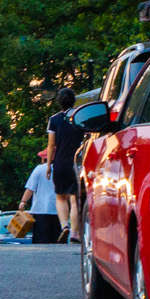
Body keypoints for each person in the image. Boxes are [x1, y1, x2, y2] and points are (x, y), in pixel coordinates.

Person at [45, 87, 82, 241]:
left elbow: (51, 144)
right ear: (74, 100)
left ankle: (64, 226)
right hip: (76, 162)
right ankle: (74, 233)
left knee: (60, 196)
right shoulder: (79, 117)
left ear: (59, 102)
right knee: (74, 198)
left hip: (59, 162)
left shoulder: (54, 120)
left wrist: (48, 165)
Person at [20, 148, 62, 245]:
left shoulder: (39, 169)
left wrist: (23, 201)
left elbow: (30, 188)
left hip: (40, 210)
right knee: (55, 240)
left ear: (44, 159)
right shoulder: (61, 170)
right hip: (58, 211)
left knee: (40, 240)